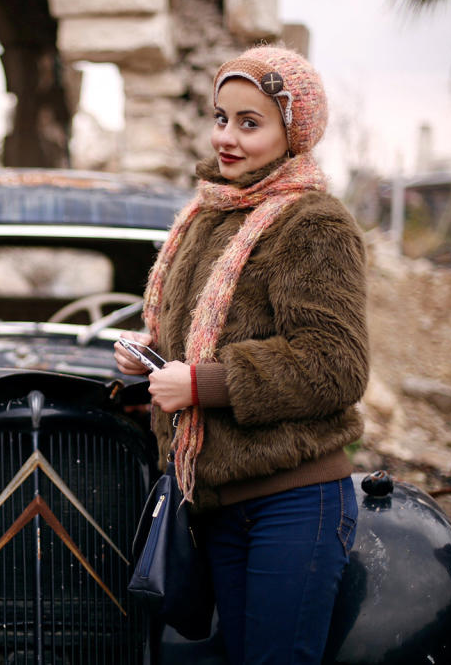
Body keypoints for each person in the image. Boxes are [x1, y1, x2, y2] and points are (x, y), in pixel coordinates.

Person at [115, 46, 367, 664]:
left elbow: (336, 364)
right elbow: (209, 337)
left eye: (250, 123)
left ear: (293, 133)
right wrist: (153, 356)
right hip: (219, 504)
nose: (227, 137)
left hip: (294, 503)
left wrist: (199, 385)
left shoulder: (314, 225)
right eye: (221, 117)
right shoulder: (207, 216)